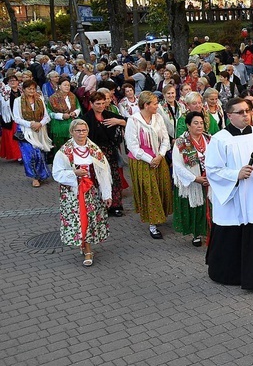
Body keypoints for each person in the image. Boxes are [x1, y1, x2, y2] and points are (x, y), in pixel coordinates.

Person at [205, 97, 253, 294]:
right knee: (233, 237)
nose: (246, 115)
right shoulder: (220, 139)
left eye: (247, 111)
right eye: (240, 112)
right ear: (229, 116)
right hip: (233, 198)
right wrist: (235, 175)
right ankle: (230, 274)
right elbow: (212, 169)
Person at [51, 120, 112, 267]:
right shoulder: (64, 151)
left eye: (84, 130)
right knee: (79, 220)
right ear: (71, 132)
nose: (81, 133)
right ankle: (87, 249)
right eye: (78, 131)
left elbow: (104, 172)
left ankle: (87, 247)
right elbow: (56, 173)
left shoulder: (94, 149)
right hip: (73, 194)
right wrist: (74, 173)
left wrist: (107, 194)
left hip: (91, 191)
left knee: (89, 220)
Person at [125, 91, 173, 239]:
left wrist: (160, 156)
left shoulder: (157, 117)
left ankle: (160, 215)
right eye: (155, 104)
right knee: (149, 190)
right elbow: (132, 145)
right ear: (146, 105)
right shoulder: (133, 120)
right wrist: (149, 159)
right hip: (142, 162)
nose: (157, 106)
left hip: (158, 158)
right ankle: (153, 224)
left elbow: (165, 138)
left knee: (161, 187)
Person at [83, 92, 127, 217]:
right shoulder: (86, 118)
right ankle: (100, 205)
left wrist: (118, 121)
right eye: (97, 103)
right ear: (91, 104)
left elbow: (127, 121)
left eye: (103, 103)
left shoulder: (109, 115)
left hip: (110, 151)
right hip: (94, 152)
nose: (101, 106)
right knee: (98, 178)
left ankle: (116, 205)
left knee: (114, 177)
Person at [172, 111, 211, 247]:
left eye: (201, 123)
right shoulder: (182, 142)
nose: (199, 126)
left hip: (209, 179)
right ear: (188, 125)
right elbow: (178, 165)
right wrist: (195, 178)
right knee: (196, 207)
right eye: (195, 123)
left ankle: (210, 232)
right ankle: (196, 234)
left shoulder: (209, 139)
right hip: (195, 180)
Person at [13, 80, 53, 187]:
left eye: (33, 89)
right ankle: (34, 177)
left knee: (40, 155)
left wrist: (40, 124)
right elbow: (16, 118)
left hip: (40, 131)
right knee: (30, 155)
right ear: (24, 90)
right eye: (29, 89)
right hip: (26, 131)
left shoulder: (40, 99)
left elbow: (46, 116)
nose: (32, 91)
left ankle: (41, 175)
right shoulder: (17, 101)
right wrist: (31, 124)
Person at [46, 78, 81, 151]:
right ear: (59, 86)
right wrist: (61, 116)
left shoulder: (72, 96)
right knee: (60, 148)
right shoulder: (53, 98)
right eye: (65, 85)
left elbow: (78, 108)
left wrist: (74, 113)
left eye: (68, 85)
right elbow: (49, 112)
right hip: (59, 124)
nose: (67, 87)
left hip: (72, 122)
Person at [0, 75, 22, 161]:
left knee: (21, 137)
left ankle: (21, 154)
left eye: (14, 80)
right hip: (9, 118)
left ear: (17, 81)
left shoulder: (21, 91)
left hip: (20, 117)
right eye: (10, 81)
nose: (12, 82)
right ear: (8, 83)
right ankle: (16, 155)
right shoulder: (4, 92)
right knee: (11, 138)